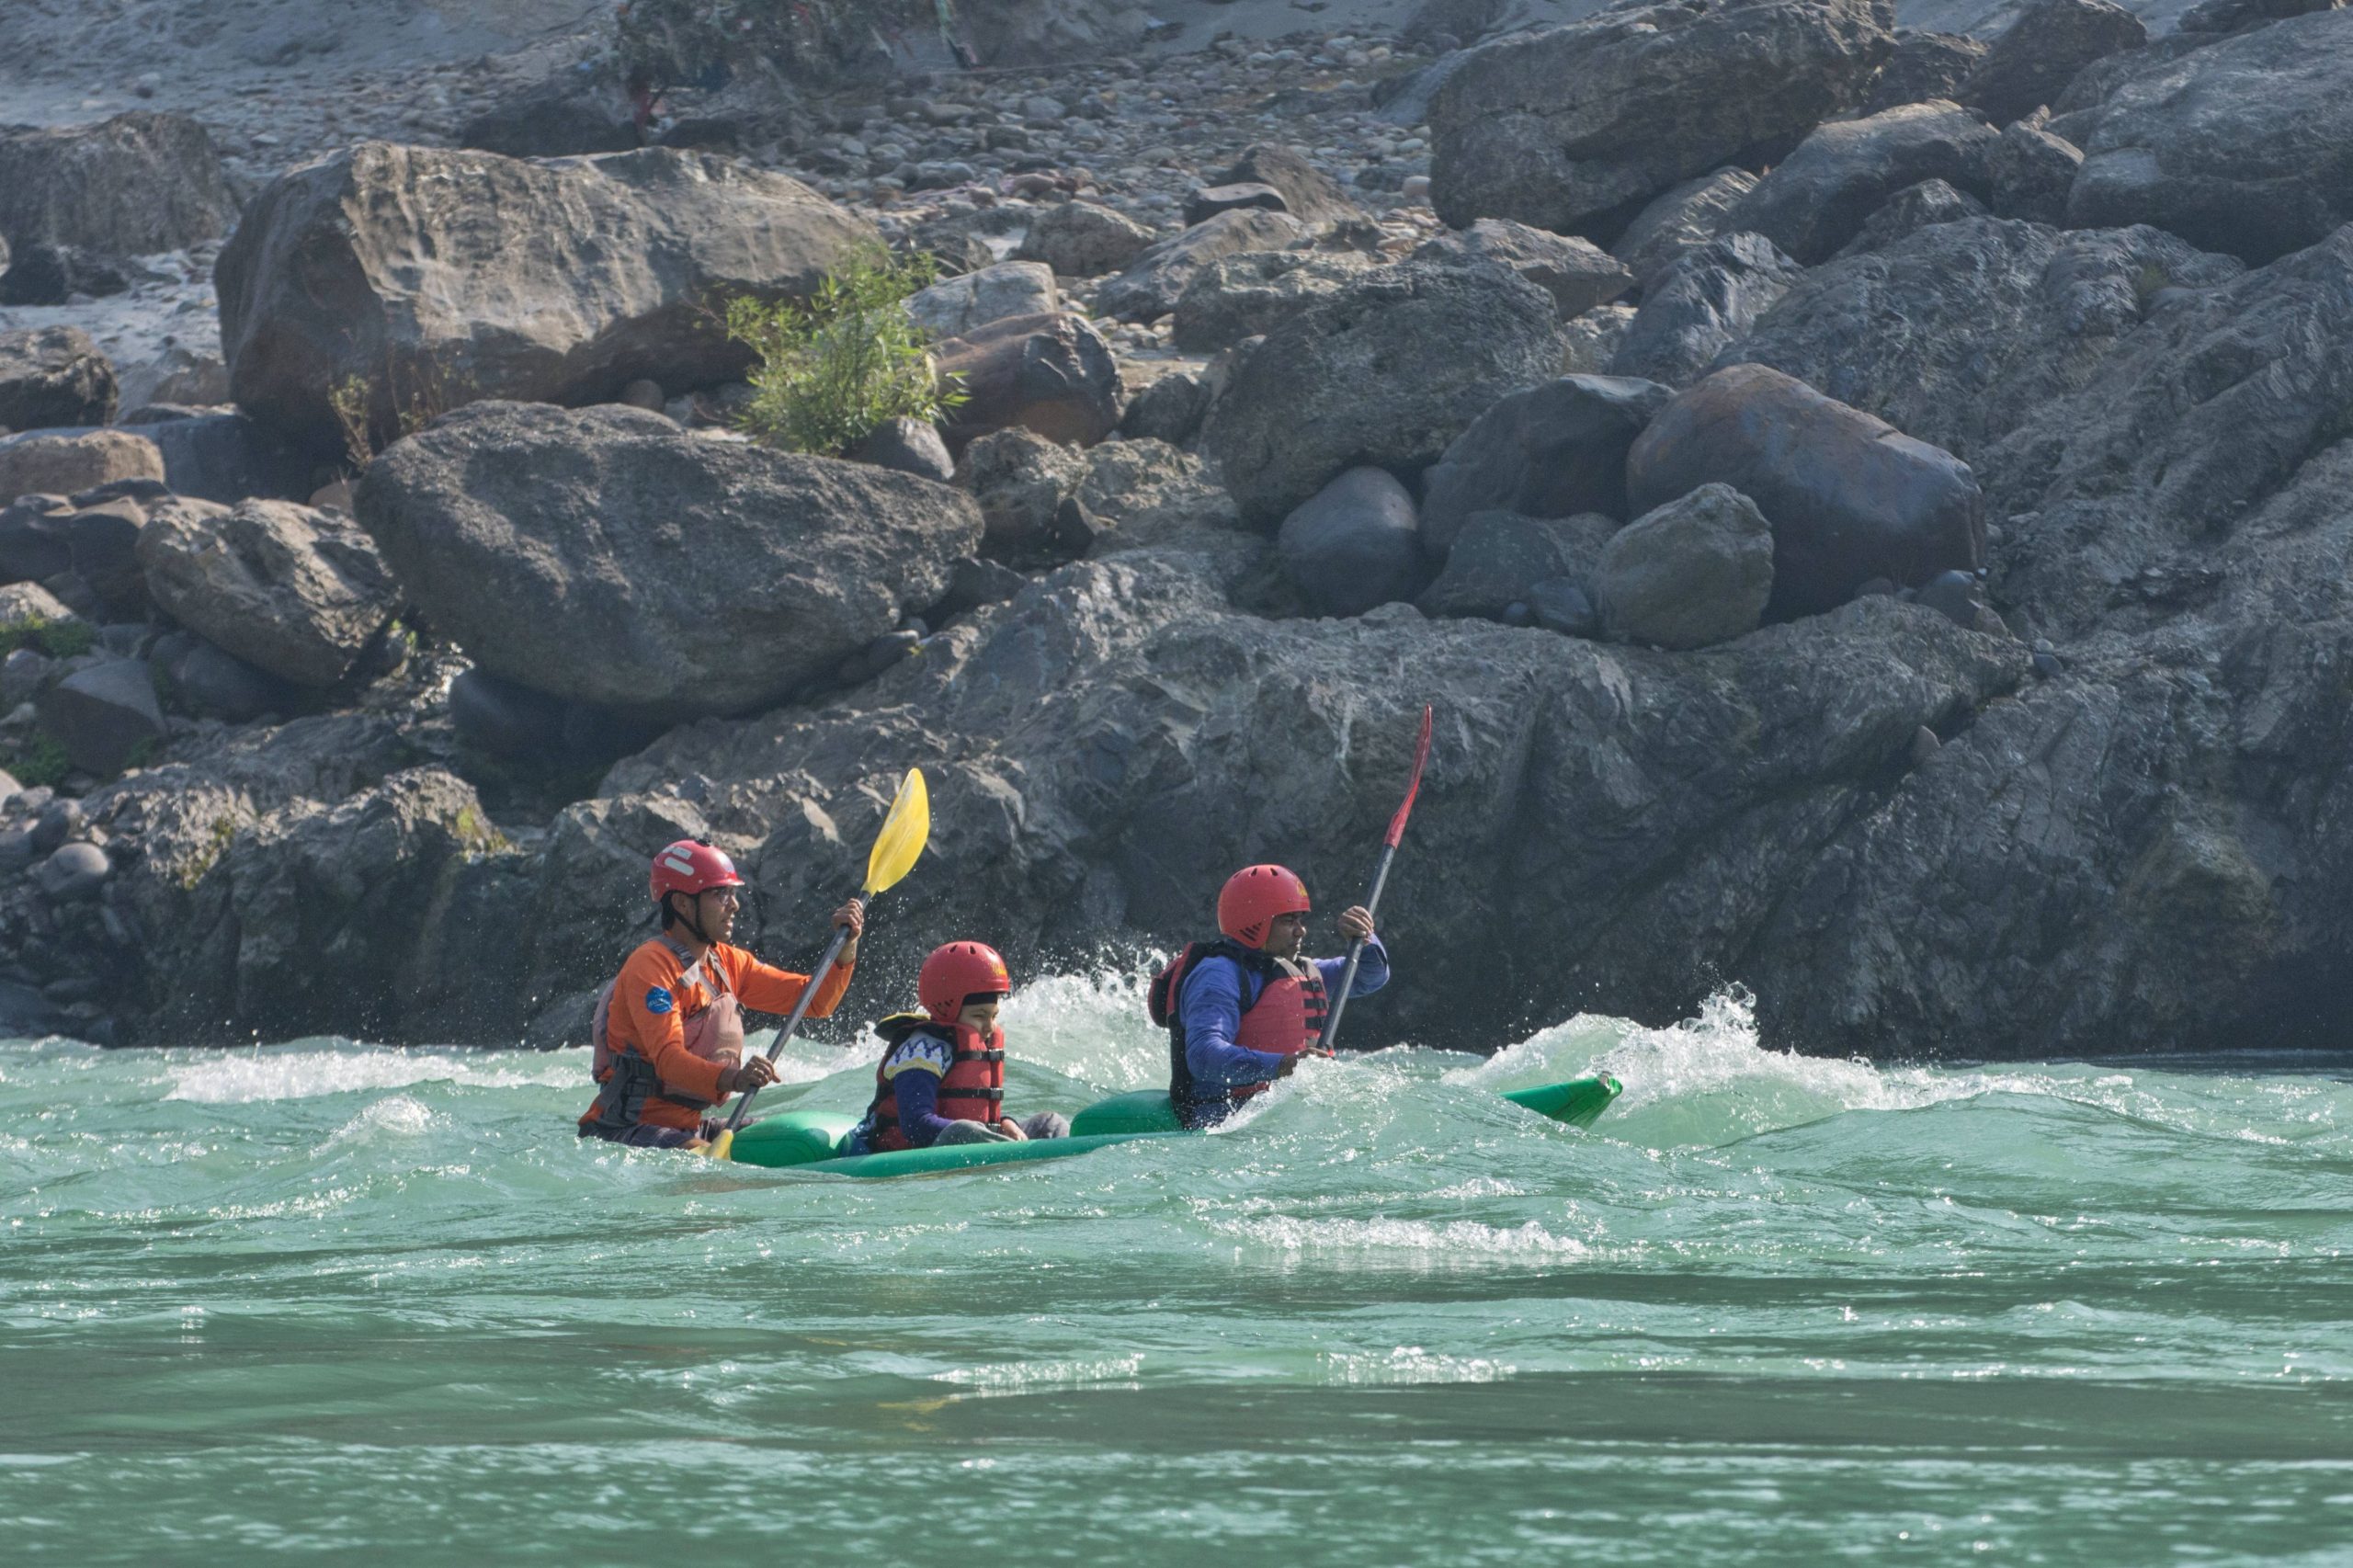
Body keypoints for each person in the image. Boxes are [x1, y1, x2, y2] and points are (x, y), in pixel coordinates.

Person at [579, 839, 863, 1150]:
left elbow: (816, 1002)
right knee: (709, 1164)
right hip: (625, 1128)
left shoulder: (727, 963)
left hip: (690, 1126)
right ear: (682, 904)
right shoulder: (651, 966)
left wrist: (847, 948)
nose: (734, 905)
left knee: (799, 1140)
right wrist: (736, 1079)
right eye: (720, 894)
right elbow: (669, 1062)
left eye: (732, 893)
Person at [1150, 864, 1387, 1129]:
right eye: (1288, 920)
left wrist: (1365, 938)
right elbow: (1204, 1056)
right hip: (1221, 1119)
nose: (1301, 930)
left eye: (1300, 919)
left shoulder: (1300, 969)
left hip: (1279, 1113)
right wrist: (1284, 1065)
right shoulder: (1218, 975)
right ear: (1255, 921)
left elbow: (1370, 976)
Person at [848, 941, 1071, 1153]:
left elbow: (978, 1114)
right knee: (965, 1129)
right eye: (979, 1016)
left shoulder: (977, 1041)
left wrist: (1005, 1124)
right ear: (948, 1010)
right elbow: (916, 1126)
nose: (989, 1027)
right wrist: (980, 1136)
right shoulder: (923, 1049)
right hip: (899, 1149)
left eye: (994, 1016)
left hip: (971, 1139)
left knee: (1049, 1124)